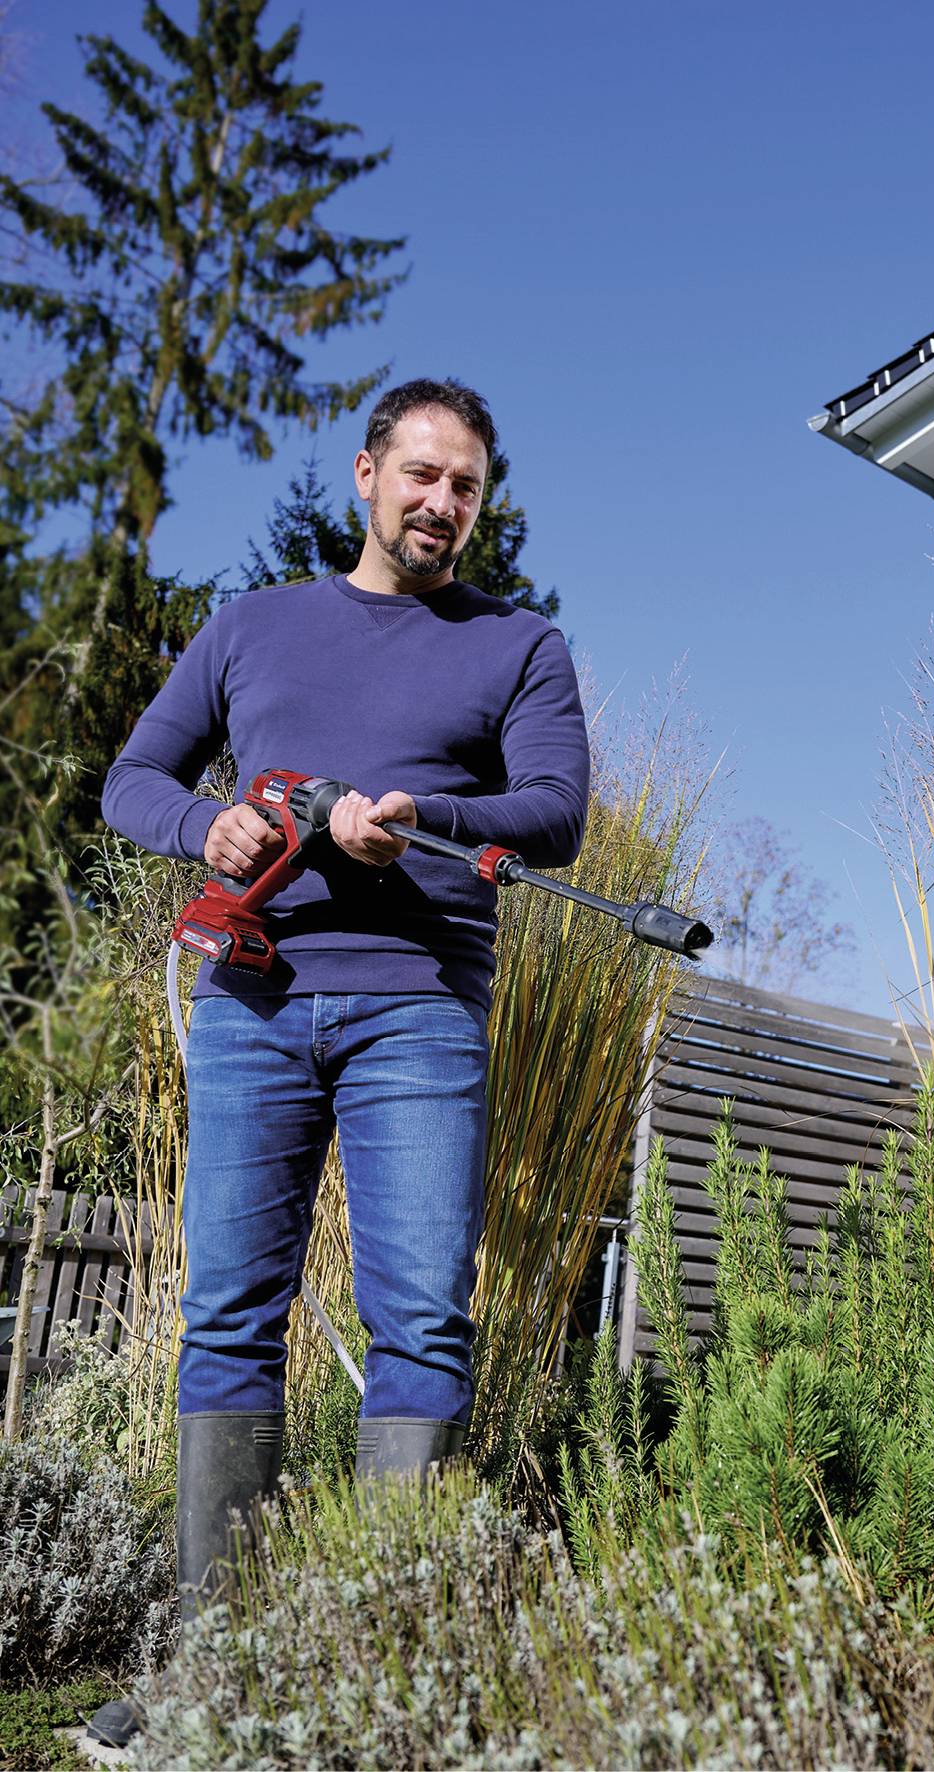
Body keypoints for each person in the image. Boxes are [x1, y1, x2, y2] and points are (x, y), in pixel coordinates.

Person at [88, 379, 590, 1747]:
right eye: (420, 475)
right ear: (366, 475)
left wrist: (427, 818)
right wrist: (212, 835)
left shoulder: (519, 645)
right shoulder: (253, 627)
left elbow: (556, 811)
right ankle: (216, 1675)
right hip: (253, 1003)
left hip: (421, 1008)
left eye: (467, 488)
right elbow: (133, 777)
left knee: (421, 1321)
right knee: (227, 1317)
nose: (441, 504)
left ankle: (381, 1669)